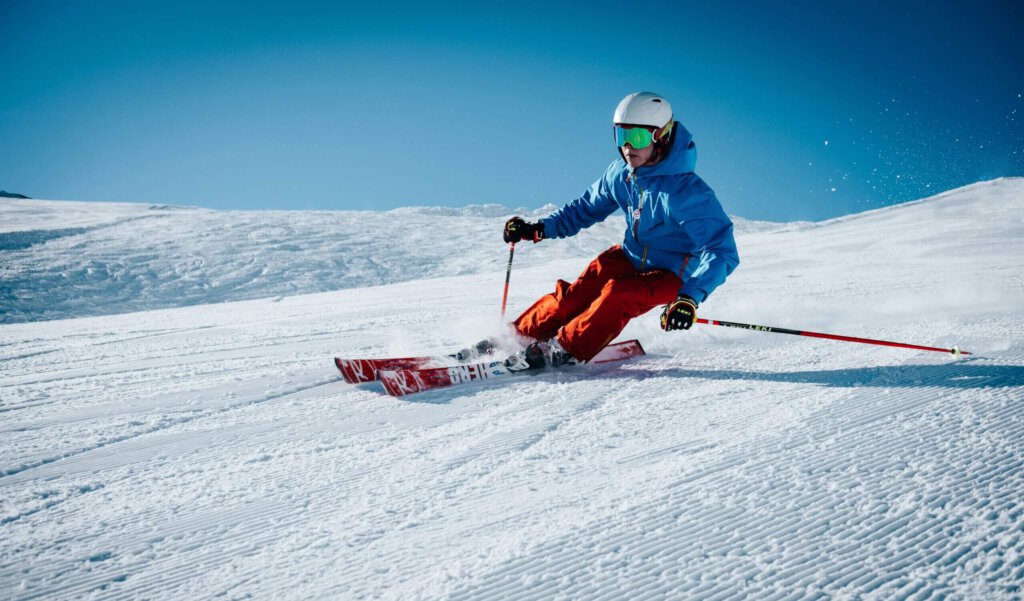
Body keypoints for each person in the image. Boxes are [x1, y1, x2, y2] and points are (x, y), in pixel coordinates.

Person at [502, 91, 739, 370]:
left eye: (637, 137)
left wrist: (690, 297)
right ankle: (516, 337)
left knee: (620, 293)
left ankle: (565, 349)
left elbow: (721, 250)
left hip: (673, 274)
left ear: (660, 136)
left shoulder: (687, 193)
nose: (627, 147)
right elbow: (584, 209)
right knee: (576, 294)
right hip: (629, 256)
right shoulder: (621, 174)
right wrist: (538, 228)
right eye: (620, 136)